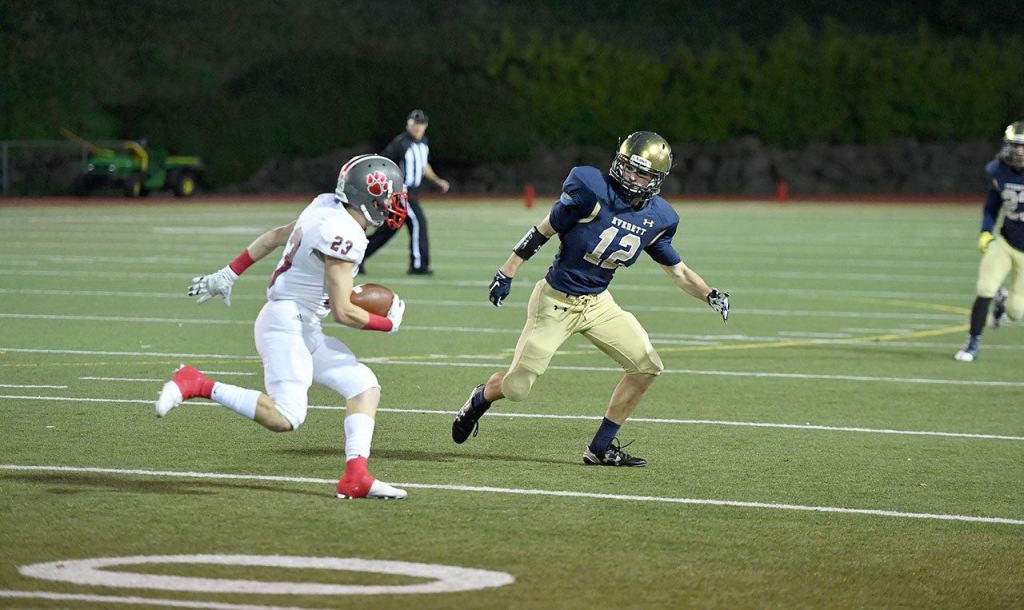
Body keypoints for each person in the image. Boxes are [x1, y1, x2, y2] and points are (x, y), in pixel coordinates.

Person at [450, 131, 730, 466]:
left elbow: (679, 271)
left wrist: (710, 294)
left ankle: (600, 448)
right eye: (627, 167)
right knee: (517, 389)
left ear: (656, 180)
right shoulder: (590, 189)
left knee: (647, 365)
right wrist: (507, 270)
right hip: (555, 301)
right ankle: (480, 398)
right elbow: (544, 229)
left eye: (641, 173)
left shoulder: (659, 218)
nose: (630, 176)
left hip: (597, 303)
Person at [157, 154, 411, 499]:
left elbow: (276, 236)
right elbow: (343, 311)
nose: (395, 203)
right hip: (286, 324)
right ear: (370, 197)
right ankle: (196, 383)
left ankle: (356, 476)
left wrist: (229, 273)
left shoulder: (325, 206)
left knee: (364, 386)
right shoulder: (344, 235)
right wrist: (388, 323)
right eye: (390, 196)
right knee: (285, 417)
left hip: (303, 326)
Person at [954, 120, 1024, 361]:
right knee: (984, 288)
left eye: (1023, 146)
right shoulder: (998, 170)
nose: (1019, 151)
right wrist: (986, 231)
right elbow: (992, 205)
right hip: (1006, 242)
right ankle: (972, 343)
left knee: (1016, 312)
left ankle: (1003, 303)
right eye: (1015, 145)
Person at [361, 109, 450, 275]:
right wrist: (389, 190)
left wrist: (437, 180)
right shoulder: (400, 143)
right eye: (415, 123)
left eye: (421, 124)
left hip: (413, 192)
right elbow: (383, 164)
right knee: (418, 222)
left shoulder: (423, 142)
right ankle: (418, 265)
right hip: (401, 193)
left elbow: (424, 166)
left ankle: (358, 257)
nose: (418, 127)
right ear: (408, 124)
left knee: (389, 229)